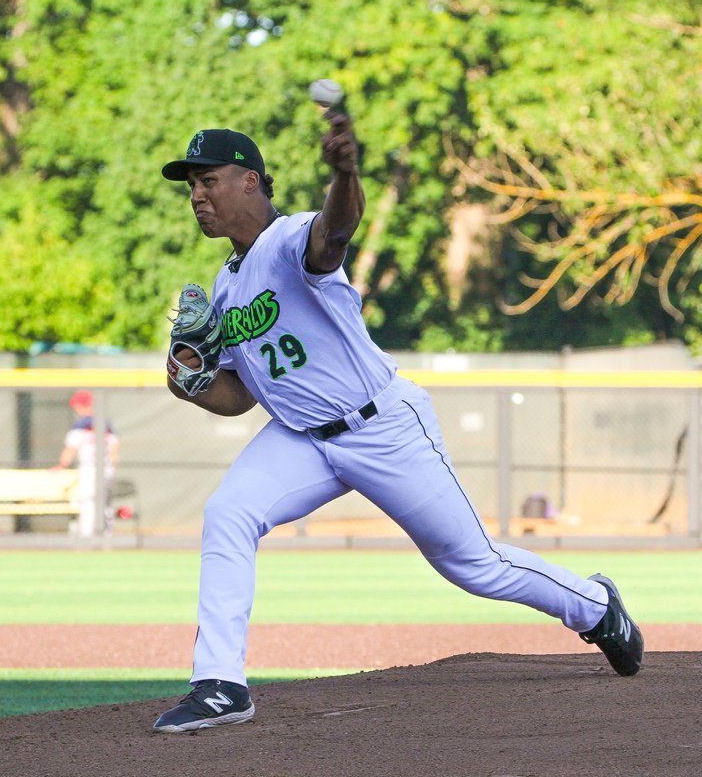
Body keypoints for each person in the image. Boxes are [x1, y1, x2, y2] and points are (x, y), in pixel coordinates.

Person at [152, 119, 644, 734]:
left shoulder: (287, 239)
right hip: (302, 438)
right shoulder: (226, 288)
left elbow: (335, 232)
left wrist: (345, 173)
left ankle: (596, 608)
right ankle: (220, 684)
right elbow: (239, 399)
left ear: (250, 181)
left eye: (208, 180)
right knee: (228, 512)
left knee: (473, 565)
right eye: (191, 185)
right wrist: (188, 382)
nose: (197, 195)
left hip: (380, 426)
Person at [55, 390, 119, 537]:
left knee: (88, 502)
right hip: (107, 467)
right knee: (105, 504)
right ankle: (106, 537)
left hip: (89, 468)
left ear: (81, 405)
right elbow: (115, 448)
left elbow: (70, 451)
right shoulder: (105, 423)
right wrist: (113, 467)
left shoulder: (80, 425)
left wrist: (61, 466)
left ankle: (88, 537)